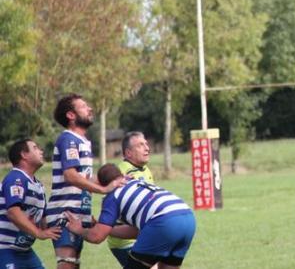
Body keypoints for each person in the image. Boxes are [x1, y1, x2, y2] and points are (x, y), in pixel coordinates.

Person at [45, 93, 125, 269]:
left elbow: (84, 179)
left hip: (79, 214)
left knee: (74, 264)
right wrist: (104, 190)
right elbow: (71, 176)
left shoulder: (83, 142)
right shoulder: (68, 139)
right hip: (65, 214)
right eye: (83, 106)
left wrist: (119, 180)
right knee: (67, 263)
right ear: (71, 115)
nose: (90, 109)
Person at [65, 163, 196, 269]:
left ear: (99, 184)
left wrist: (79, 229)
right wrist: (103, 227)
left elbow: (97, 237)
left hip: (163, 221)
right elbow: (138, 232)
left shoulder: (112, 196)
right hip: (187, 217)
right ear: (120, 175)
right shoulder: (134, 182)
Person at [0, 139, 62, 268]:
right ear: (24, 155)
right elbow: (13, 212)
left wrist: (68, 223)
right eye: (35, 148)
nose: (41, 151)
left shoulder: (38, 185)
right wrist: (39, 233)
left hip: (24, 251)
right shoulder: (16, 178)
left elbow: (44, 220)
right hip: (4, 250)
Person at [107, 131, 154, 267]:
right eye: (140, 145)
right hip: (125, 240)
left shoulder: (145, 170)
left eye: (146, 143)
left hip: (141, 236)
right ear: (128, 153)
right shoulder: (121, 173)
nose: (147, 148)